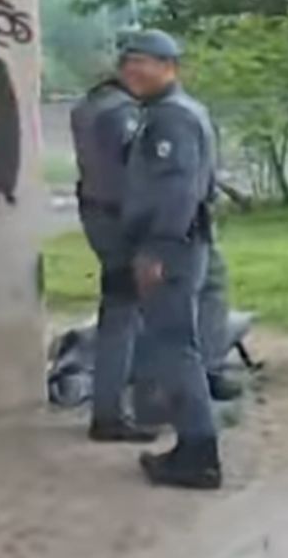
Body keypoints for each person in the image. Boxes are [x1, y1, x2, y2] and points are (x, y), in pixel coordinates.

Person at [119, 29, 222, 490]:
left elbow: (178, 191)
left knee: (176, 349)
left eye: (144, 60)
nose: (132, 70)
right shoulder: (172, 112)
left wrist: (157, 249)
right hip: (180, 244)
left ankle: (198, 454)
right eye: (127, 62)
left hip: (171, 248)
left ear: (169, 65)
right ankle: (190, 446)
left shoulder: (171, 120)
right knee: (177, 345)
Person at [70, 68, 154, 443]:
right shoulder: (122, 112)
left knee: (120, 310)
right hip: (121, 219)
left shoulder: (86, 107)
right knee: (124, 315)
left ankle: (115, 408)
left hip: (95, 212)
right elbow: (132, 169)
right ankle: (111, 412)